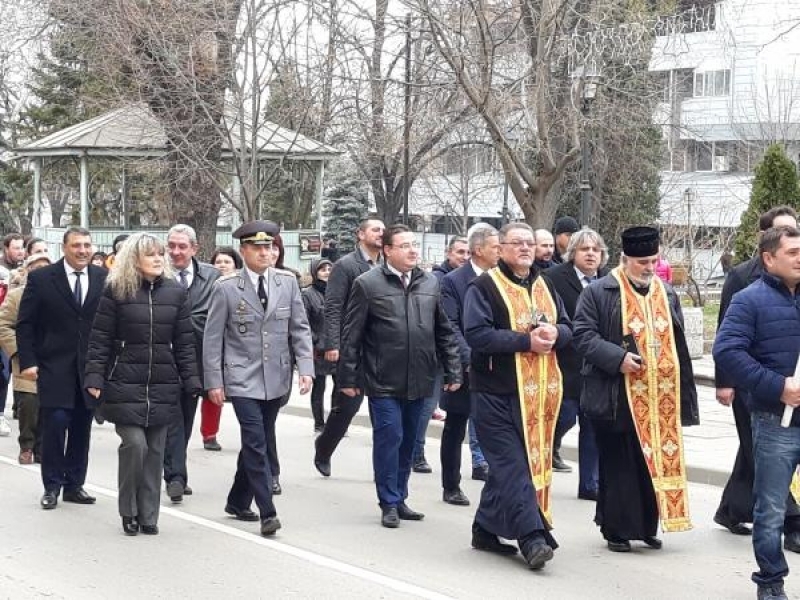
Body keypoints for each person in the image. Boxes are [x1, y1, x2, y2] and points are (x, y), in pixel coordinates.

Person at [573, 225, 699, 553]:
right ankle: (616, 528)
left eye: (653, 261)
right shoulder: (600, 291)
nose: (648, 267)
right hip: (615, 393)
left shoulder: (666, 292)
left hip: (660, 396)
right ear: (624, 259)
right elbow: (583, 336)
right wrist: (618, 359)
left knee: (650, 463)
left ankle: (646, 526)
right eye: (642, 261)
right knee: (619, 463)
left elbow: (679, 342)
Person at [463, 222, 571, 569]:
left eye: (531, 243)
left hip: (538, 396)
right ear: (501, 248)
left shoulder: (546, 284)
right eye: (517, 243)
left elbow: (569, 327)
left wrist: (556, 332)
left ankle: (484, 528)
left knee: (509, 470)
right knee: (513, 467)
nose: (525, 248)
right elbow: (477, 335)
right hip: (495, 393)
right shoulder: (483, 287)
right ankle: (533, 538)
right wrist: (525, 341)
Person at [338, 224, 461, 528]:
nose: (412, 250)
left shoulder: (430, 283)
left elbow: (444, 331)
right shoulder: (368, 284)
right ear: (388, 251)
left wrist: (453, 368)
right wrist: (348, 378)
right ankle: (388, 501)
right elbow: (351, 335)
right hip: (383, 380)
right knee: (389, 438)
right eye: (404, 245)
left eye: (414, 245)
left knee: (409, 441)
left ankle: (400, 496)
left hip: (420, 378)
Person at [84, 233, 202, 536]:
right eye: (151, 254)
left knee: (155, 451)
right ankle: (129, 510)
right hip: (125, 382)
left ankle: (149, 515)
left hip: (163, 383)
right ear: (134, 258)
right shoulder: (116, 290)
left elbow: (185, 342)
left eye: (160, 254)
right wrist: (95, 376)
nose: (159, 259)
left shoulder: (176, 293)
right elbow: (99, 340)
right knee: (135, 445)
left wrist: (192, 380)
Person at [203, 220, 314, 537]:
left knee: (260, 438)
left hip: (276, 376)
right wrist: (214, 381)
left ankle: (237, 501)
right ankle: (267, 511)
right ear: (244, 251)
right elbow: (212, 340)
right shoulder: (226, 288)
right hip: (241, 376)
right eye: (258, 248)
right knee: (255, 440)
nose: (265, 253)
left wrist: (306, 369)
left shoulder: (287, 282)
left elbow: (299, 328)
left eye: (269, 247)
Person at [714, 226, 800, 600]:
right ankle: (770, 581)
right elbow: (727, 352)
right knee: (771, 508)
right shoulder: (750, 300)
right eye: (793, 252)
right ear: (769, 258)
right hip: (774, 421)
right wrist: (778, 386)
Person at [17, 226, 108, 509]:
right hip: (53, 365)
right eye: (76, 245)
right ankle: (52, 485)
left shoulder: (103, 278)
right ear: (64, 248)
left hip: (90, 366)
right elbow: (25, 324)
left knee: (82, 427)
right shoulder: (43, 279)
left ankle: (74, 484)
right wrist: (29, 362)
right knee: (56, 423)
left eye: (87, 245)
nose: (83, 251)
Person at [313, 218, 385, 477]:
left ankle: (384, 467)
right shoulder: (346, 266)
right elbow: (333, 307)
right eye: (375, 229)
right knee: (348, 406)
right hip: (353, 346)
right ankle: (324, 447)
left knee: (384, 411)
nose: (381, 233)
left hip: (382, 348)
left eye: (383, 230)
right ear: (360, 234)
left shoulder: (388, 263)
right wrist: (333, 344)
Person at [439, 223, 499, 506]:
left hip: (497, 367)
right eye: (495, 247)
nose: (500, 251)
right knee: (455, 425)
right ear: (479, 250)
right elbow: (450, 325)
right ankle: (451, 485)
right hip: (463, 366)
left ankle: (491, 474)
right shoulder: (453, 281)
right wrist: (469, 359)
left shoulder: (501, 278)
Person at [545, 227, 606, 498]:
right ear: (573, 253)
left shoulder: (609, 280)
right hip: (565, 365)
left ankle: (589, 485)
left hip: (597, 368)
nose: (591, 254)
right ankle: (547, 448)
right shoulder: (554, 278)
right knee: (565, 416)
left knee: (592, 427)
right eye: (585, 249)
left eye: (595, 249)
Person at [163, 224, 220, 502]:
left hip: (194, 363)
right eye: (171, 246)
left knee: (185, 419)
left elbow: (218, 319)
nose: (175, 252)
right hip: (160, 360)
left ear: (195, 249)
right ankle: (175, 476)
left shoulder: (212, 277)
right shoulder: (155, 273)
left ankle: (174, 468)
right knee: (171, 418)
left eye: (182, 246)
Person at [413, 235, 469, 474]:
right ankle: (416, 453)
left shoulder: (471, 280)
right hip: (434, 355)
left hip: (452, 353)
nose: (464, 257)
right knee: (427, 407)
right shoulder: (437, 279)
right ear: (448, 253)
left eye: (468, 253)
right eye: (460, 252)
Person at [0, 251, 52, 463]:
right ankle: (27, 445)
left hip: (52, 360)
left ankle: (43, 448)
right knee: (29, 405)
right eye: (35, 268)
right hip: (26, 359)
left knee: (50, 406)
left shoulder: (58, 295)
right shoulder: (16, 296)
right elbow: (4, 325)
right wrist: (19, 351)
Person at [199, 246, 243, 452]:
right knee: (213, 392)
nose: (222, 265)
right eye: (218, 262)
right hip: (214, 345)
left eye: (227, 261)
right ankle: (209, 434)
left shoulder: (243, 285)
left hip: (239, 347)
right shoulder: (208, 286)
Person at [303, 258, 334, 432]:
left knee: (341, 388)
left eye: (330, 268)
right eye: (323, 269)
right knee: (319, 387)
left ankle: (336, 424)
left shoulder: (338, 291)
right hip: (319, 350)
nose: (327, 272)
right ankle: (319, 423)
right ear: (315, 272)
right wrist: (315, 341)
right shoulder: (308, 294)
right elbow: (304, 321)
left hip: (338, 347)